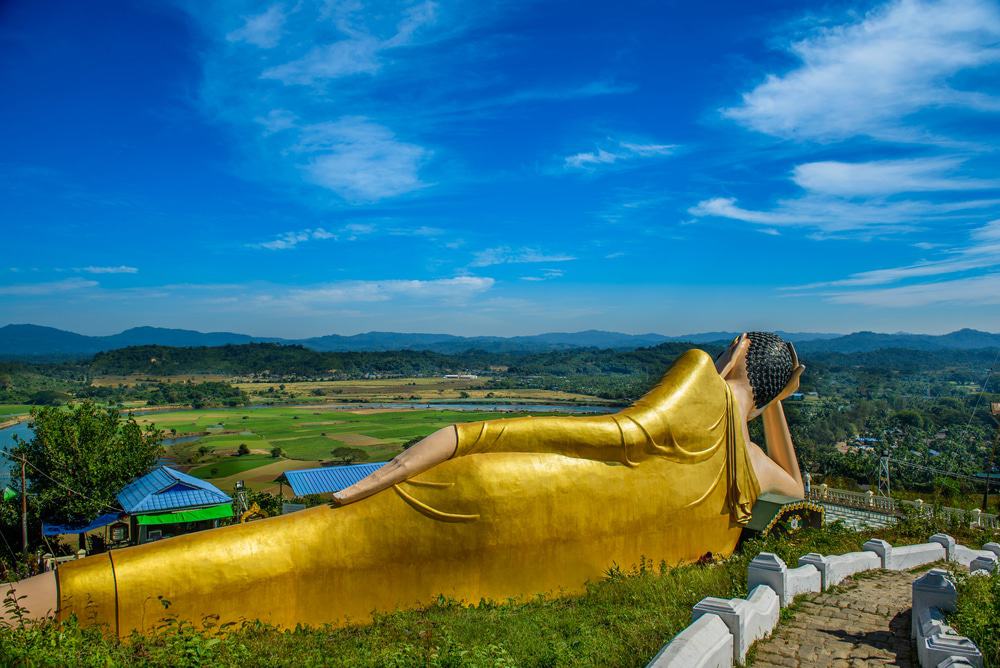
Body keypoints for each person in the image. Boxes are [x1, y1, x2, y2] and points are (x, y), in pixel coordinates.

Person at [4, 332, 804, 635]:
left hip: (504, 489)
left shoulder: (700, 384)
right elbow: (793, 487)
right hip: (544, 540)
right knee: (306, 557)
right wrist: (774, 407)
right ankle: (44, 605)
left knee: (296, 548)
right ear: (772, 390)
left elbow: (594, 436)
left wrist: (397, 466)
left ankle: (32, 604)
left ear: (736, 355)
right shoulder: (748, 461)